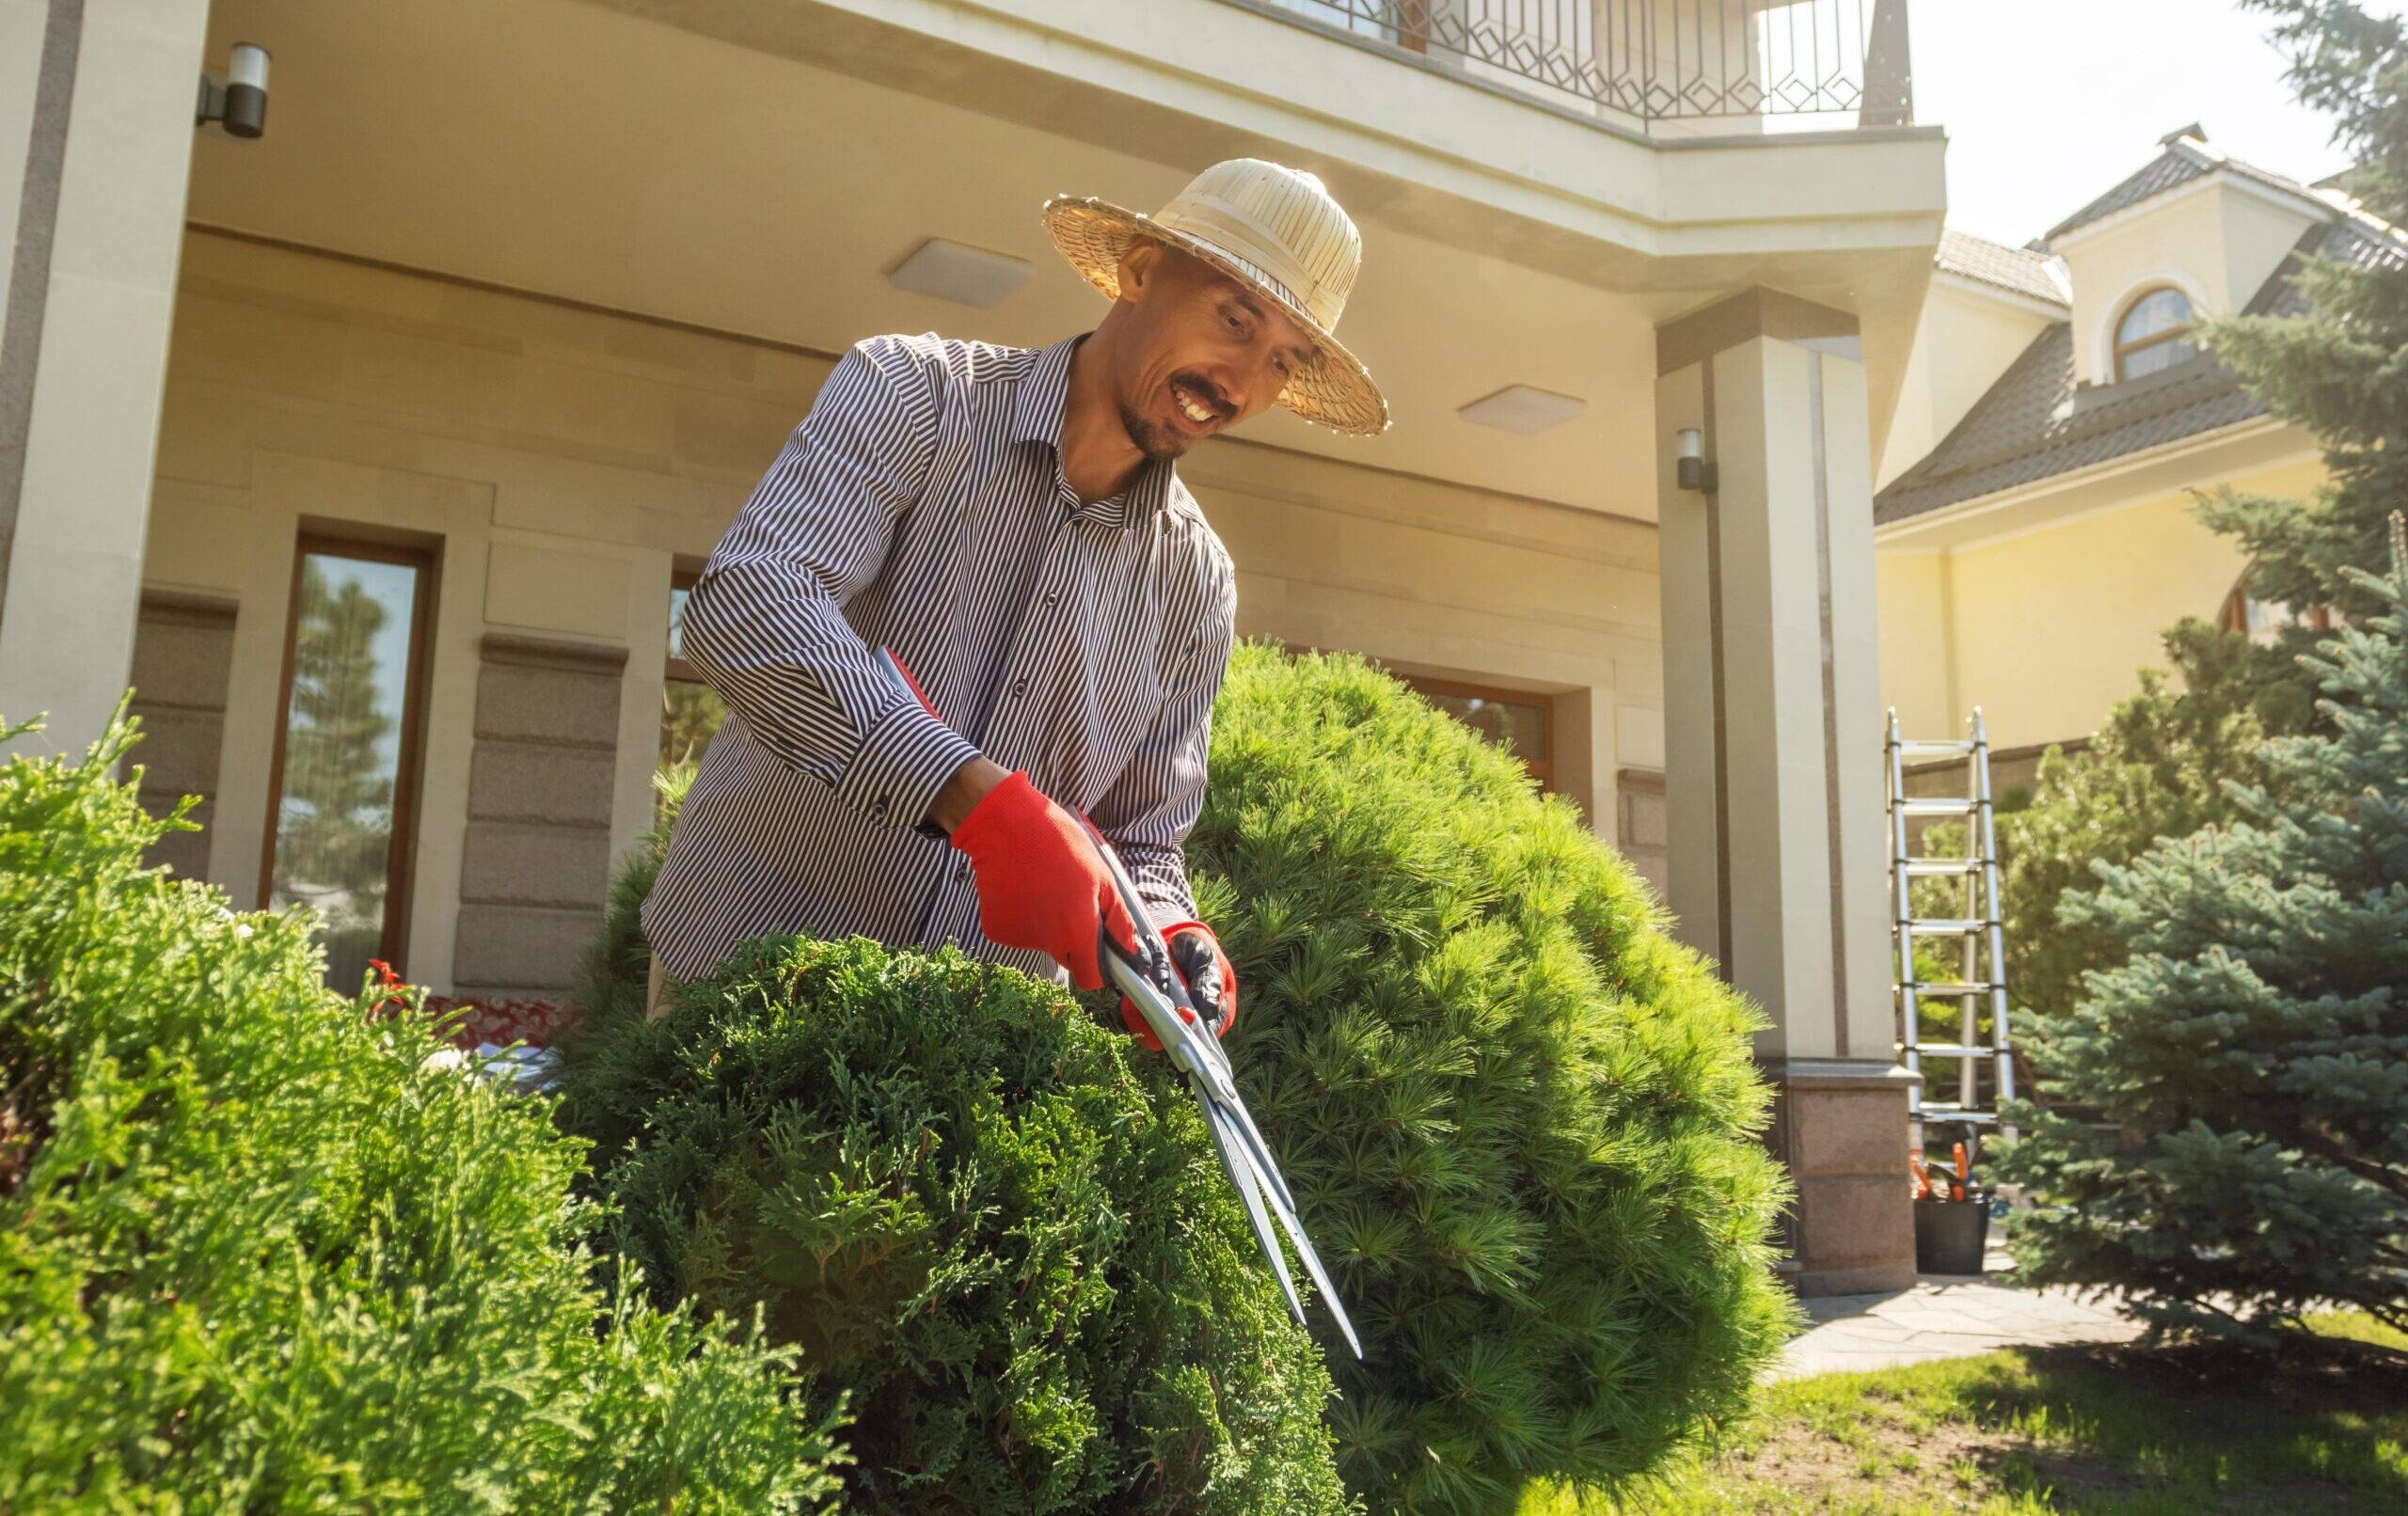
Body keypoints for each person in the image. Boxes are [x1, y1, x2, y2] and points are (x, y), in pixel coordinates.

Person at [640, 158, 1388, 1048]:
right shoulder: (915, 393)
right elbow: (751, 603)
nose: (1241, 383)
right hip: (743, 975)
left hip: (970, 1051)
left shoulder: (1198, 583)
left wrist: (1168, 925)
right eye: (1235, 320)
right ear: (1142, 271)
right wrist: (970, 798)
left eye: (1281, 362)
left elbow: (1142, 837)